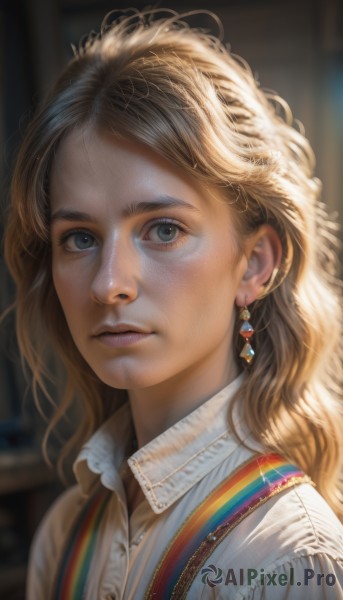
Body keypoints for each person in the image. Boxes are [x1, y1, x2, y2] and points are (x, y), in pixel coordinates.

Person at [4, 7, 343, 599]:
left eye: (163, 229)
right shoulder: (62, 537)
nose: (109, 284)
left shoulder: (287, 558)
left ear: (256, 263)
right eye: (79, 238)